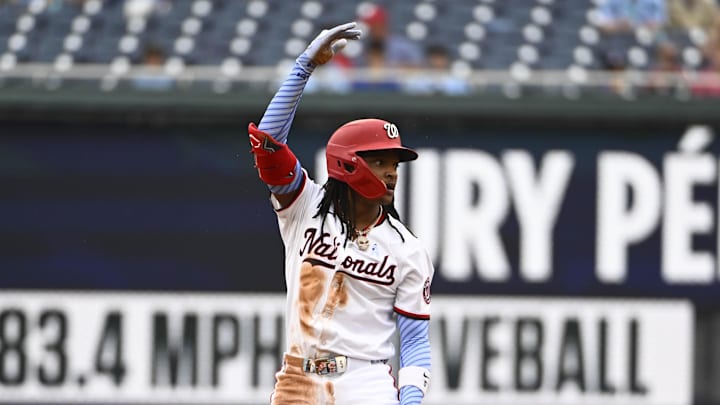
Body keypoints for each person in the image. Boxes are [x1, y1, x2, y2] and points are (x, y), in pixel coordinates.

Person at [247, 22, 434, 405]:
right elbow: (266, 145)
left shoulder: (407, 249)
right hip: (299, 378)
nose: (391, 172)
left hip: (366, 383)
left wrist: (411, 399)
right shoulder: (304, 207)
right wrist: (304, 68)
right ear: (348, 164)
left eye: (395, 164)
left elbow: (415, 341)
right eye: (380, 161)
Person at [355, 3, 424, 68]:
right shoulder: (364, 48)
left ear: (382, 25)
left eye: (374, 26)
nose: (372, 30)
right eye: (370, 27)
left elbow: (420, 68)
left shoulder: (403, 46)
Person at [595, 0, 667, 34]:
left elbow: (659, 24)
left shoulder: (656, 1)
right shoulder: (613, 1)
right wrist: (618, 24)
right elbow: (604, 25)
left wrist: (638, 25)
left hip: (646, 37)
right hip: (619, 35)